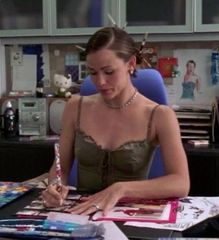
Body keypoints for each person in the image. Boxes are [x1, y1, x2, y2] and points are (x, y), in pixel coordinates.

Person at [42, 26, 190, 216]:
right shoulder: (75, 106)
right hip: (79, 215)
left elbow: (180, 182)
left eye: (109, 71)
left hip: (129, 218)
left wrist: (122, 189)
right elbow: (60, 168)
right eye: (93, 73)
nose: (100, 81)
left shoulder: (160, 115)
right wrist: (55, 186)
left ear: (131, 64)